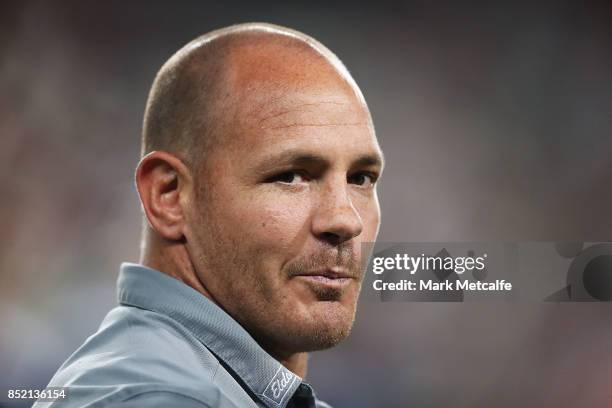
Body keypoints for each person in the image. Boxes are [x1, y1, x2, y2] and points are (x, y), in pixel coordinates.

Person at [36, 22, 384, 408]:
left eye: (361, 178)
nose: (346, 220)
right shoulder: (158, 397)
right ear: (168, 195)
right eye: (290, 176)